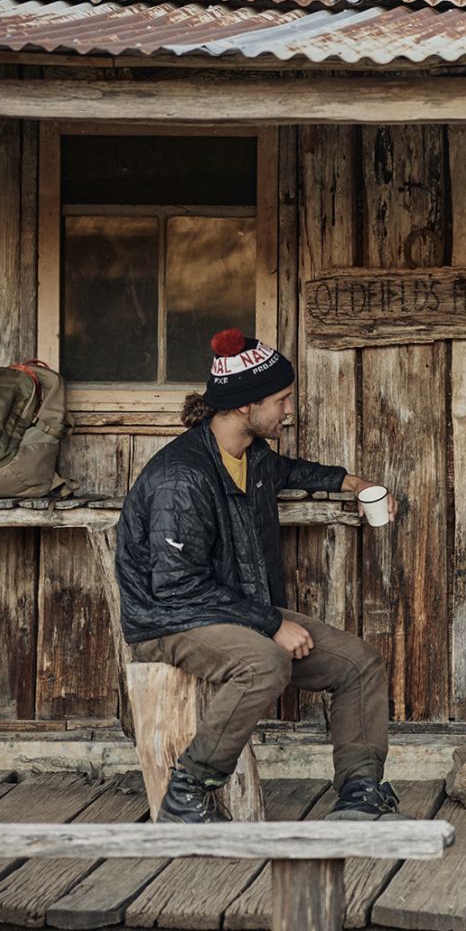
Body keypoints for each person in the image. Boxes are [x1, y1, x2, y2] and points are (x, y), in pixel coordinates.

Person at [116, 327, 403, 823]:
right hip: (172, 621)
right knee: (266, 663)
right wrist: (270, 623)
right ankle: (185, 794)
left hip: (238, 610)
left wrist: (353, 482)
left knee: (359, 663)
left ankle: (359, 793)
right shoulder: (182, 478)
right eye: (282, 399)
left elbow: (293, 472)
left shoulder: (252, 457)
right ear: (247, 405)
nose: (290, 410)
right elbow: (176, 585)